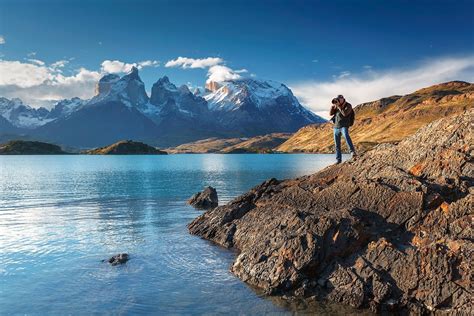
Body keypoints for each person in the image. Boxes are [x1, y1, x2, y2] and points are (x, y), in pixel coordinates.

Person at [329, 95, 356, 164]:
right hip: (336, 127)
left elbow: (345, 114)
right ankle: (338, 160)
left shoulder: (348, 105)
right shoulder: (336, 106)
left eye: (339, 99)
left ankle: (352, 152)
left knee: (346, 137)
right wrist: (333, 107)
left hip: (344, 126)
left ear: (343, 99)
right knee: (337, 145)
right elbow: (330, 114)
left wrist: (339, 106)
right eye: (337, 99)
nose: (338, 101)